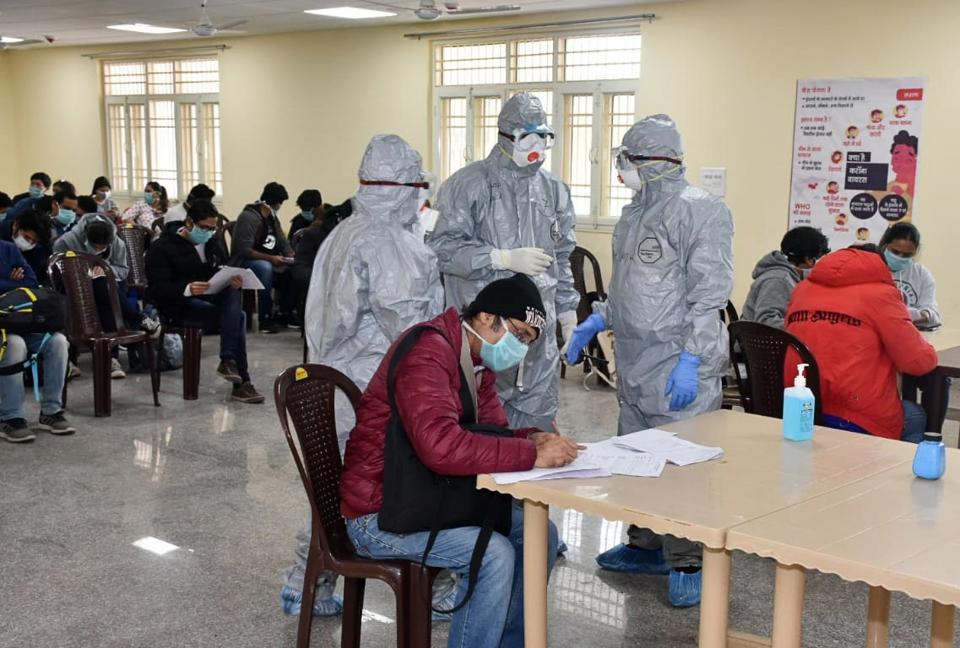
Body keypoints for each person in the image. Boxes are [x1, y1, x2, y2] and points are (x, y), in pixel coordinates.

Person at [342, 274, 576, 648]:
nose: (519, 349)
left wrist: (530, 437)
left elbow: (490, 433)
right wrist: (531, 455)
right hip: (378, 511)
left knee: (539, 534)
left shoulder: (475, 361)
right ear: (485, 317)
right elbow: (440, 447)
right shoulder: (429, 353)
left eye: (526, 343)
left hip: (425, 495)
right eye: (517, 335)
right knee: (493, 554)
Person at [564, 114, 734, 607]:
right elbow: (628, 288)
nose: (622, 169)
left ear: (652, 161)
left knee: (683, 467)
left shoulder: (703, 212)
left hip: (679, 360)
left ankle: (688, 561)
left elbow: (708, 297)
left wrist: (691, 360)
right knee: (635, 455)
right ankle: (644, 546)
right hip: (636, 361)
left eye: (627, 160)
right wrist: (597, 320)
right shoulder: (635, 213)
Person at [286, 134, 445, 619]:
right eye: (420, 187)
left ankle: (303, 584)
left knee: (330, 493)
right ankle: (438, 588)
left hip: (328, 384)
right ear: (405, 187)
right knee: (394, 489)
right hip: (368, 393)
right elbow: (412, 329)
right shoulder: (389, 242)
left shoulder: (344, 231)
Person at [430, 91, 579, 432]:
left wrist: (568, 311)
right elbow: (442, 249)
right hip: (485, 334)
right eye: (528, 135)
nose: (536, 145)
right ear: (506, 136)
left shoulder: (554, 190)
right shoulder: (468, 184)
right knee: (481, 435)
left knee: (535, 438)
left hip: (535, 336)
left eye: (543, 136)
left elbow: (562, 256)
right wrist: (500, 258)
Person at [786, 245, 937, 441]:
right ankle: (896, 471)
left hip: (799, 406)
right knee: (915, 415)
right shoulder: (881, 295)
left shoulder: (802, 290)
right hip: (855, 414)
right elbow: (919, 362)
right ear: (880, 266)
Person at [145, 199, 264, 403]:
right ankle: (240, 381)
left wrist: (226, 277)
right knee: (240, 318)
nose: (209, 233)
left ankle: (228, 361)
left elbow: (207, 272)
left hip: (201, 299)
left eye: (212, 229)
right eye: (205, 228)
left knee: (232, 294)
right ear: (190, 222)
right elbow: (157, 289)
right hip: (176, 306)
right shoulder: (161, 247)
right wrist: (187, 289)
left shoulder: (207, 243)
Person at [54, 213, 159, 377]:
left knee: (104, 287)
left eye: (102, 247)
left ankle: (110, 357)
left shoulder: (117, 243)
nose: (97, 250)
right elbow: (57, 272)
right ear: (85, 237)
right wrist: (84, 272)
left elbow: (123, 271)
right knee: (105, 290)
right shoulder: (66, 241)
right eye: (94, 246)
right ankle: (137, 320)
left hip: (110, 285)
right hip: (75, 287)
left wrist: (106, 269)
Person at [0, 232, 74, 443]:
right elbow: (19, 285)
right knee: (14, 344)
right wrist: (11, 281)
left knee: (58, 342)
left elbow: (30, 281)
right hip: (4, 328)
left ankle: (51, 412)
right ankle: (10, 417)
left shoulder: (8, 248)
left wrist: (9, 285)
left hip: (22, 319)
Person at [879, 223, 948, 426]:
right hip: (879, 347)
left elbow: (933, 313)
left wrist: (919, 314)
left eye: (907, 255)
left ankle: (932, 434)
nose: (900, 258)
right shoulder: (872, 268)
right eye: (895, 252)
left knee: (938, 378)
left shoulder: (921, 275)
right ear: (884, 245)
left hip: (909, 344)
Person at [229, 181, 294, 334]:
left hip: (267, 258)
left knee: (293, 270)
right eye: (280, 203)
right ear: (275, 203)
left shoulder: (272, 218)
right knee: (265, 267)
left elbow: (282, 241)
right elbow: (244, 250)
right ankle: (265, 317)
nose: (280, 206)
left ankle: (284, 312)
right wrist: (271, 259)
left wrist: (291, 256)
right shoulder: (249, 217)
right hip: (244, 261)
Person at [742, 226, 829, 328]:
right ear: (809, 260)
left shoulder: (790, 278)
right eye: (820, 258)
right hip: (760, 342)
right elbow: (766, 321)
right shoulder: (779, 280)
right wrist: (804, 327)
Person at [289, 198, 352, 325]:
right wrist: (322, 280)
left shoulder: (362, 239)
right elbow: (299, 268)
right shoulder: (315, 235)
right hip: (322, 296)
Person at [2, 208, 54, 288]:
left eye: (34, 241)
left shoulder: (43, 247)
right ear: (16, 225)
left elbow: (34, 282)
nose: (29, 244)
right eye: (26, 237)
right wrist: (11, 282)